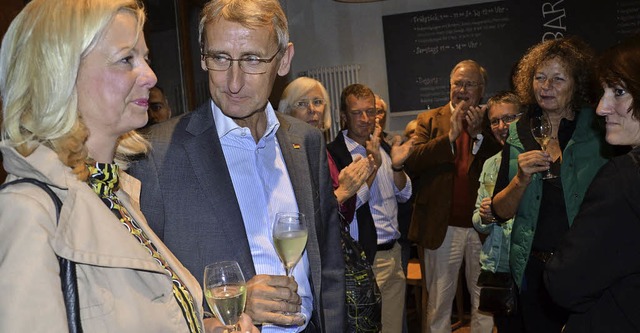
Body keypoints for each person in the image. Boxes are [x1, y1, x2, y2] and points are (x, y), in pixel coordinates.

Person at [0, 1, 256, 332]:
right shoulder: (28, 212)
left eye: (145, 58)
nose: (150, 76)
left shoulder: (114, 194)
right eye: (125, 60)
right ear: (59, 75)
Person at [128, 0, 345, 332]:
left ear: (284, 59)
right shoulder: (155, 155)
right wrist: (234, 301)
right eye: (219, 58)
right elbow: (141, 290)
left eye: (252, 59)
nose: (233, 82)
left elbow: (328, 264)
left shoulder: (307, 141)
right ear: (203, 56)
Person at [491, 36, 611, 332]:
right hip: (533, 270)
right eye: (539, 77)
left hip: (586, 266)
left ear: (577, 83)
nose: (546, 87)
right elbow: (499, 211)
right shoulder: (518, 131)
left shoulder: (597, 129)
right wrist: (521, 179)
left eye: (558, 79)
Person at [544, 34, 640, 333]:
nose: (602, 107)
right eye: (604, 92)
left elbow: (566, 283)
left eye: (619, 92)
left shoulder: (622, 178)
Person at [405, 59, 500, 333]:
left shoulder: (490, 122)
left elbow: (502, 160)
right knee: (438, 304)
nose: (462, 89)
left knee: (484, 303)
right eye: (457, 83)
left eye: (469, 84)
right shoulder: (429, 120)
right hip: (441, 228)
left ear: (481, 90)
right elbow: (413, 161)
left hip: (483, 228)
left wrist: (481, 133)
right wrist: (450, 136)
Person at [279, 77, 380, 333]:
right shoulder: (289, 152)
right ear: (287, 110)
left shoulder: (318, 148)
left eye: (318, 102)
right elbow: (301, 218)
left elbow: (342, 212)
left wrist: (350, 189)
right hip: (310, 262)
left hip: (333, 253)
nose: (313, 110)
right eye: (303, 103)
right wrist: (344, 191)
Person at [327, 83, 415, 333]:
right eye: (357, 113)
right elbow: (350, 204)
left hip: (394, 253)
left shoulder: (383, 146)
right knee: (366, 328)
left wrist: (396, 167)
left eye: (371, 111)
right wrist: (372, 164)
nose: (366, 119)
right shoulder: (335, 154)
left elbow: (405, 193)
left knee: (394, 328)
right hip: (365, 258)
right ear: (344, 116)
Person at [471, 91, 522, 332]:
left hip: (529, 266)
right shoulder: (490, 164)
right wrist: (484, 215)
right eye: (495, 121)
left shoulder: (537, 159)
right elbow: (478, 222)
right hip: (499, 268)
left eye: (510, 118)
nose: (502, 127)